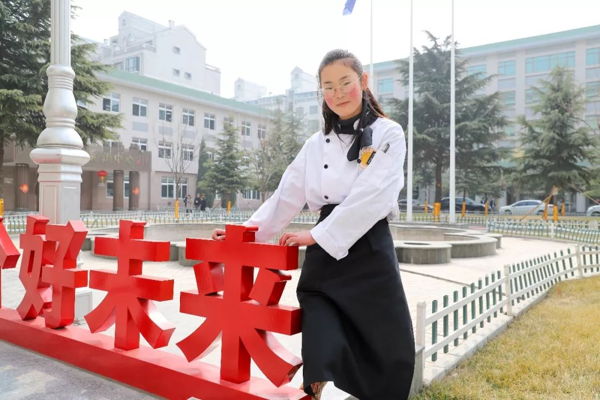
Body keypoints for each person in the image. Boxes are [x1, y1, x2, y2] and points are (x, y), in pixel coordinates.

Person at [212, 49, 414, 400]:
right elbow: (286, 195)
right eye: (328, 86)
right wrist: (245, 234)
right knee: (320, 320)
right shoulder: (315, 144)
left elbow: (373, 195)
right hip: (324, 254)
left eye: (345, 83)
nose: (338, 93)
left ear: (364, 81)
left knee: (386, 339)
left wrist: (317, 235)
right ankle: (318, 387)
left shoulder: (389, 133)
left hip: (369, 248)